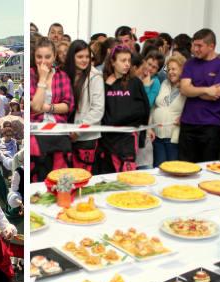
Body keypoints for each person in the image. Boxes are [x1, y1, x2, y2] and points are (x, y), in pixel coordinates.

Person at [178, 28, 220, 162]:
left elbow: (216, 94)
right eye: (194, 45)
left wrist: (193, 90)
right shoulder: (190, 63)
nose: (195, 49)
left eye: (199, 46)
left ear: (211, 46)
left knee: (207, 167)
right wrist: (206, 90)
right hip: (188, 123)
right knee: (185, 167)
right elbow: (184, 89)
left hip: (210, 125)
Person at [99, 45, 150, 173]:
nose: (127, 64)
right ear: (113, 62)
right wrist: (107, 86)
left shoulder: (135, 82)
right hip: (107, 140)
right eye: (123, 60)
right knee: (108, 178)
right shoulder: (104, 82)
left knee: (127, 178)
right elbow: (101, 109)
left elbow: (144, 109)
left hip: (127, 139)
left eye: (129, 60)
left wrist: (142, 136)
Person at [30, 37, 74, 181]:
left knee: (60, 180)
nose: (43, 61)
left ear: (54, 56)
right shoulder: (30, 75)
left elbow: (67, 106)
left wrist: (47, 107)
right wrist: (42, 79)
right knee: (39, 179)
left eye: (47, 57)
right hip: (37, 135)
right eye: (39, 57)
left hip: (59, 133)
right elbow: (35, 106)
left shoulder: (62, 76)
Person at [65, 39, 105, 173]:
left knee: (83, 177)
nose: (84, 60)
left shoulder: (95, 77)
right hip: (64, 134)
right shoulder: (64, 74)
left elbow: (98, 109)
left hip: (86, 137)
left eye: (87, 56)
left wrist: (78, 130)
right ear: (72, 57)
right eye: (80, 56)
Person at [151, 53, 187, 166]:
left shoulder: (186, 87)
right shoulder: (164, 83)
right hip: (157, 136)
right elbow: (155, 106)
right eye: (169, 69)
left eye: (174, 69)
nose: (171, 72)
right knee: (159, 169)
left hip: (173, 138)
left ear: (182, 69)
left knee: (173, 170)